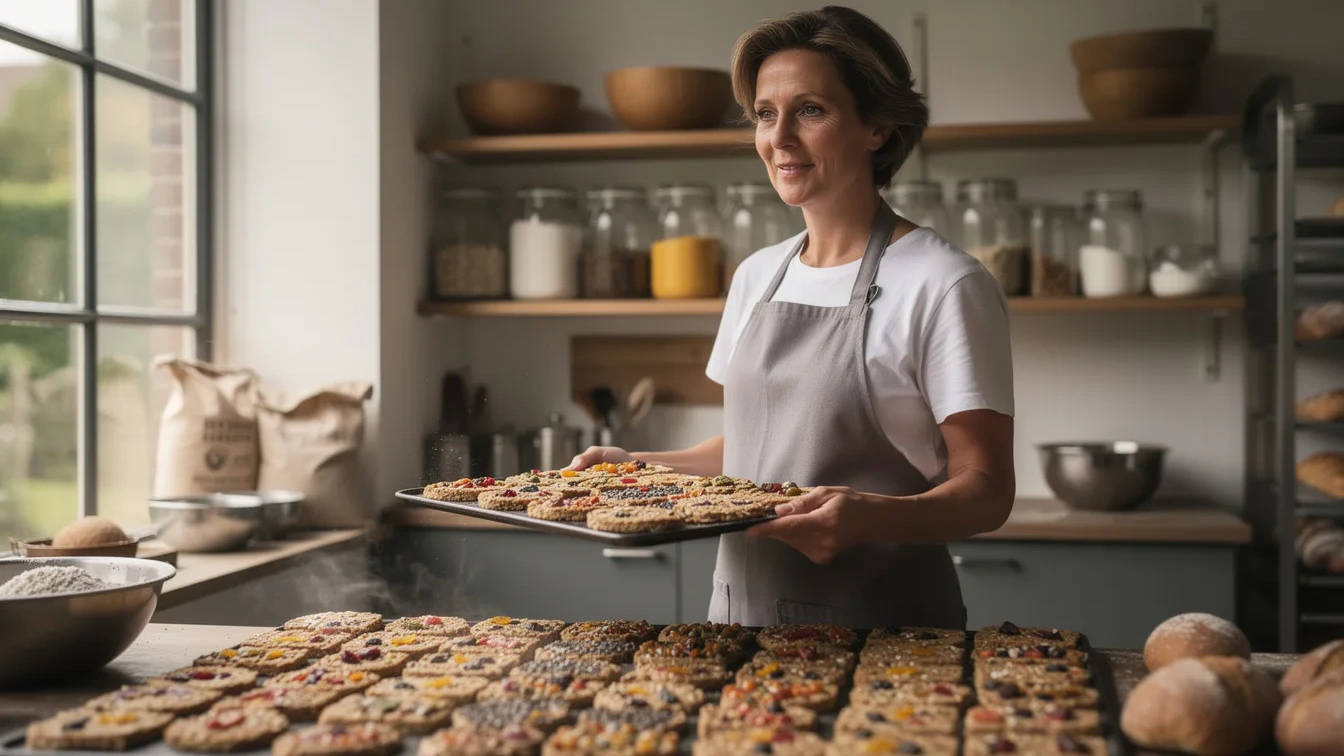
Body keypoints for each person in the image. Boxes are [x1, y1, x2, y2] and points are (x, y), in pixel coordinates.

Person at [569, 6, 1015, 629]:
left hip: (885, 635)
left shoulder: (944, 284)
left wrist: (872, 518)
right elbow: (755, 449)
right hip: (739, 620)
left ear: (877, 127)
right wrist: (639, 466)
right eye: (765, 114)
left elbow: (988, 490)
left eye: (810, 110)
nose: (779, 139)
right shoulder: (756, 275)